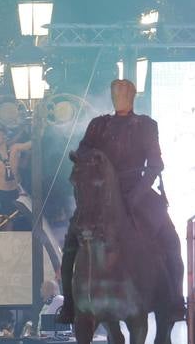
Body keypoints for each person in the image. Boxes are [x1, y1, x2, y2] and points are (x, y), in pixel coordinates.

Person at [59, 78, 185, 323]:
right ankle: (69, 303)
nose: (120, 97)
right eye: (116, 93)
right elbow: (83, 150)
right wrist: (93, 161)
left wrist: (137, 195)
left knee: (171, 240)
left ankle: (175, 300)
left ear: (132, 96)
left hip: (138, 191)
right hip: (99, 193)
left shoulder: (146, 125)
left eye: (125, 93)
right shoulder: (98, 125)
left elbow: (155, 164)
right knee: (71, 242)